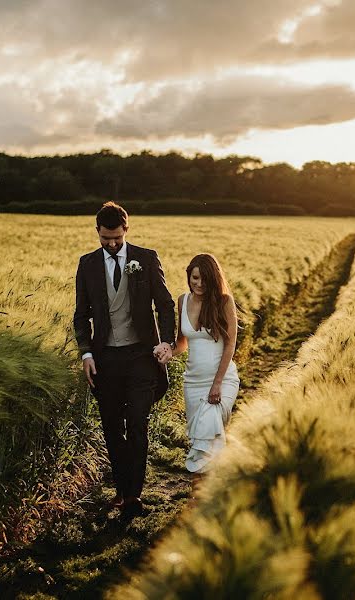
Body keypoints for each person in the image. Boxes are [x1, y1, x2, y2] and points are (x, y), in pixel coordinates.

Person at [73, 201, 175, 517]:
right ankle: (120, 489)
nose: (112, 244)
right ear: (97, 232)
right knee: (113, 429)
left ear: (126, 230)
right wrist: (87, 353)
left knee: (138, 424)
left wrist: (167, 343)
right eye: (106, 239)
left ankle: (133, 497)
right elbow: (81, 316)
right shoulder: (87, 264)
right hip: (106, 360)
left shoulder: (146, 258)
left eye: (117, 238)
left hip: (142, 356)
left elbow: (166, 304)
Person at [160, 253, 240, 473]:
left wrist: (217, 383)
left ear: (213, 279)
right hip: (192, 383)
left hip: (222, 380)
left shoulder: (224, 302)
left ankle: (205, 489)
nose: (199, 283)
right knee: (199, 441)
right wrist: (167, 351)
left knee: (209, 436)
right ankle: (205, 492)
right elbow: (182, 343)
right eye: (195, 278)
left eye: (204, 279)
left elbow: (230, 344)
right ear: (189, 276)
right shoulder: (183, 300)